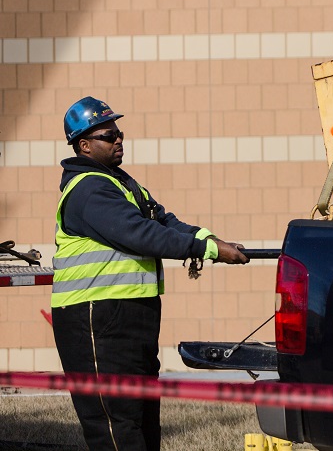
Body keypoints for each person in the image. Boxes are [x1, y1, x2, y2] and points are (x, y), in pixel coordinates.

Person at [52, 96, 250, 451]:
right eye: (107, 135)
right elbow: (141, 234)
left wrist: (208, 238)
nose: (118, 140)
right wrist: (207, 250)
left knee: (143, 418)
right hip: (96, 318)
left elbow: (163, 221)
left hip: (129, 315)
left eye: (119, 133)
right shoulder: (88, 189)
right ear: (84, 145)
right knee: (116, 424)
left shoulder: (121, 183)